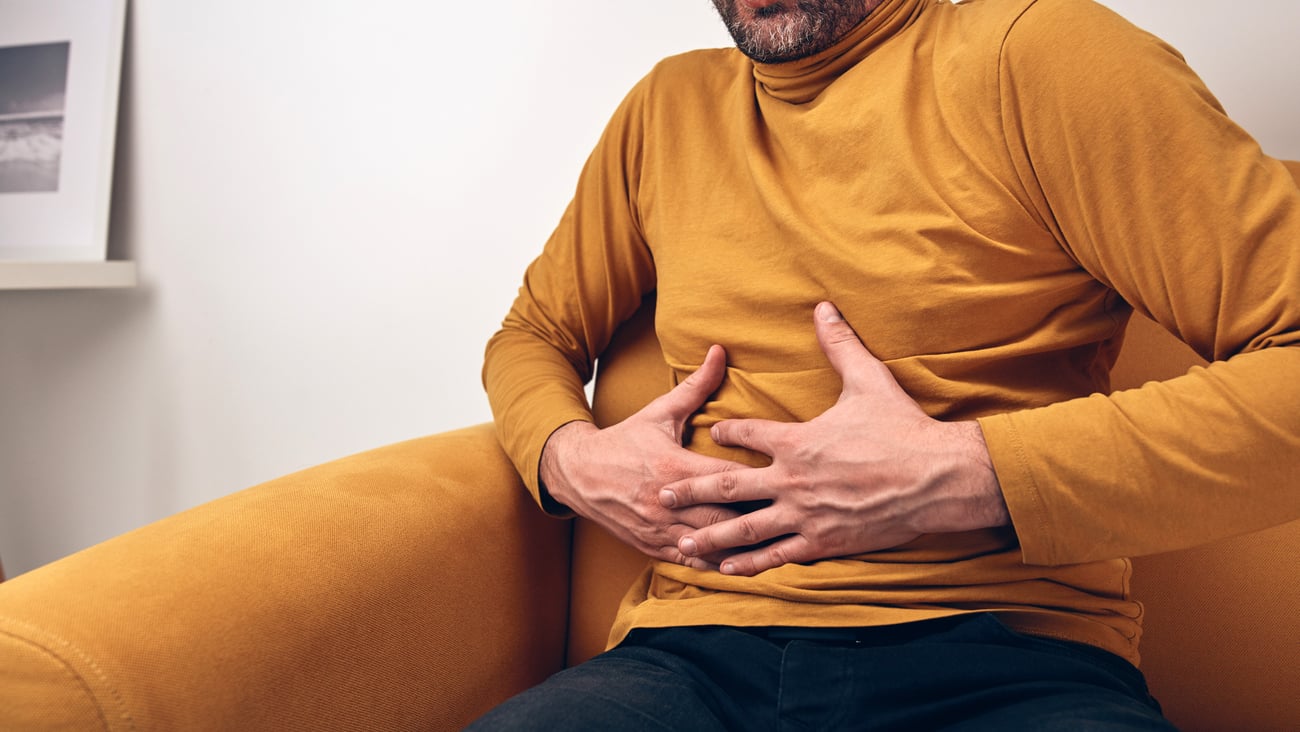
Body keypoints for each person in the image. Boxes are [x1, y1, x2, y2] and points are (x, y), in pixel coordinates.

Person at [475, 0, 1300, 728]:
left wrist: (959, 472)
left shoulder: (1040, 53)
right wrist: (572, 458)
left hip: (1011, 663)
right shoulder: (666, 108)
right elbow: (531, 335)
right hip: (688, 657)